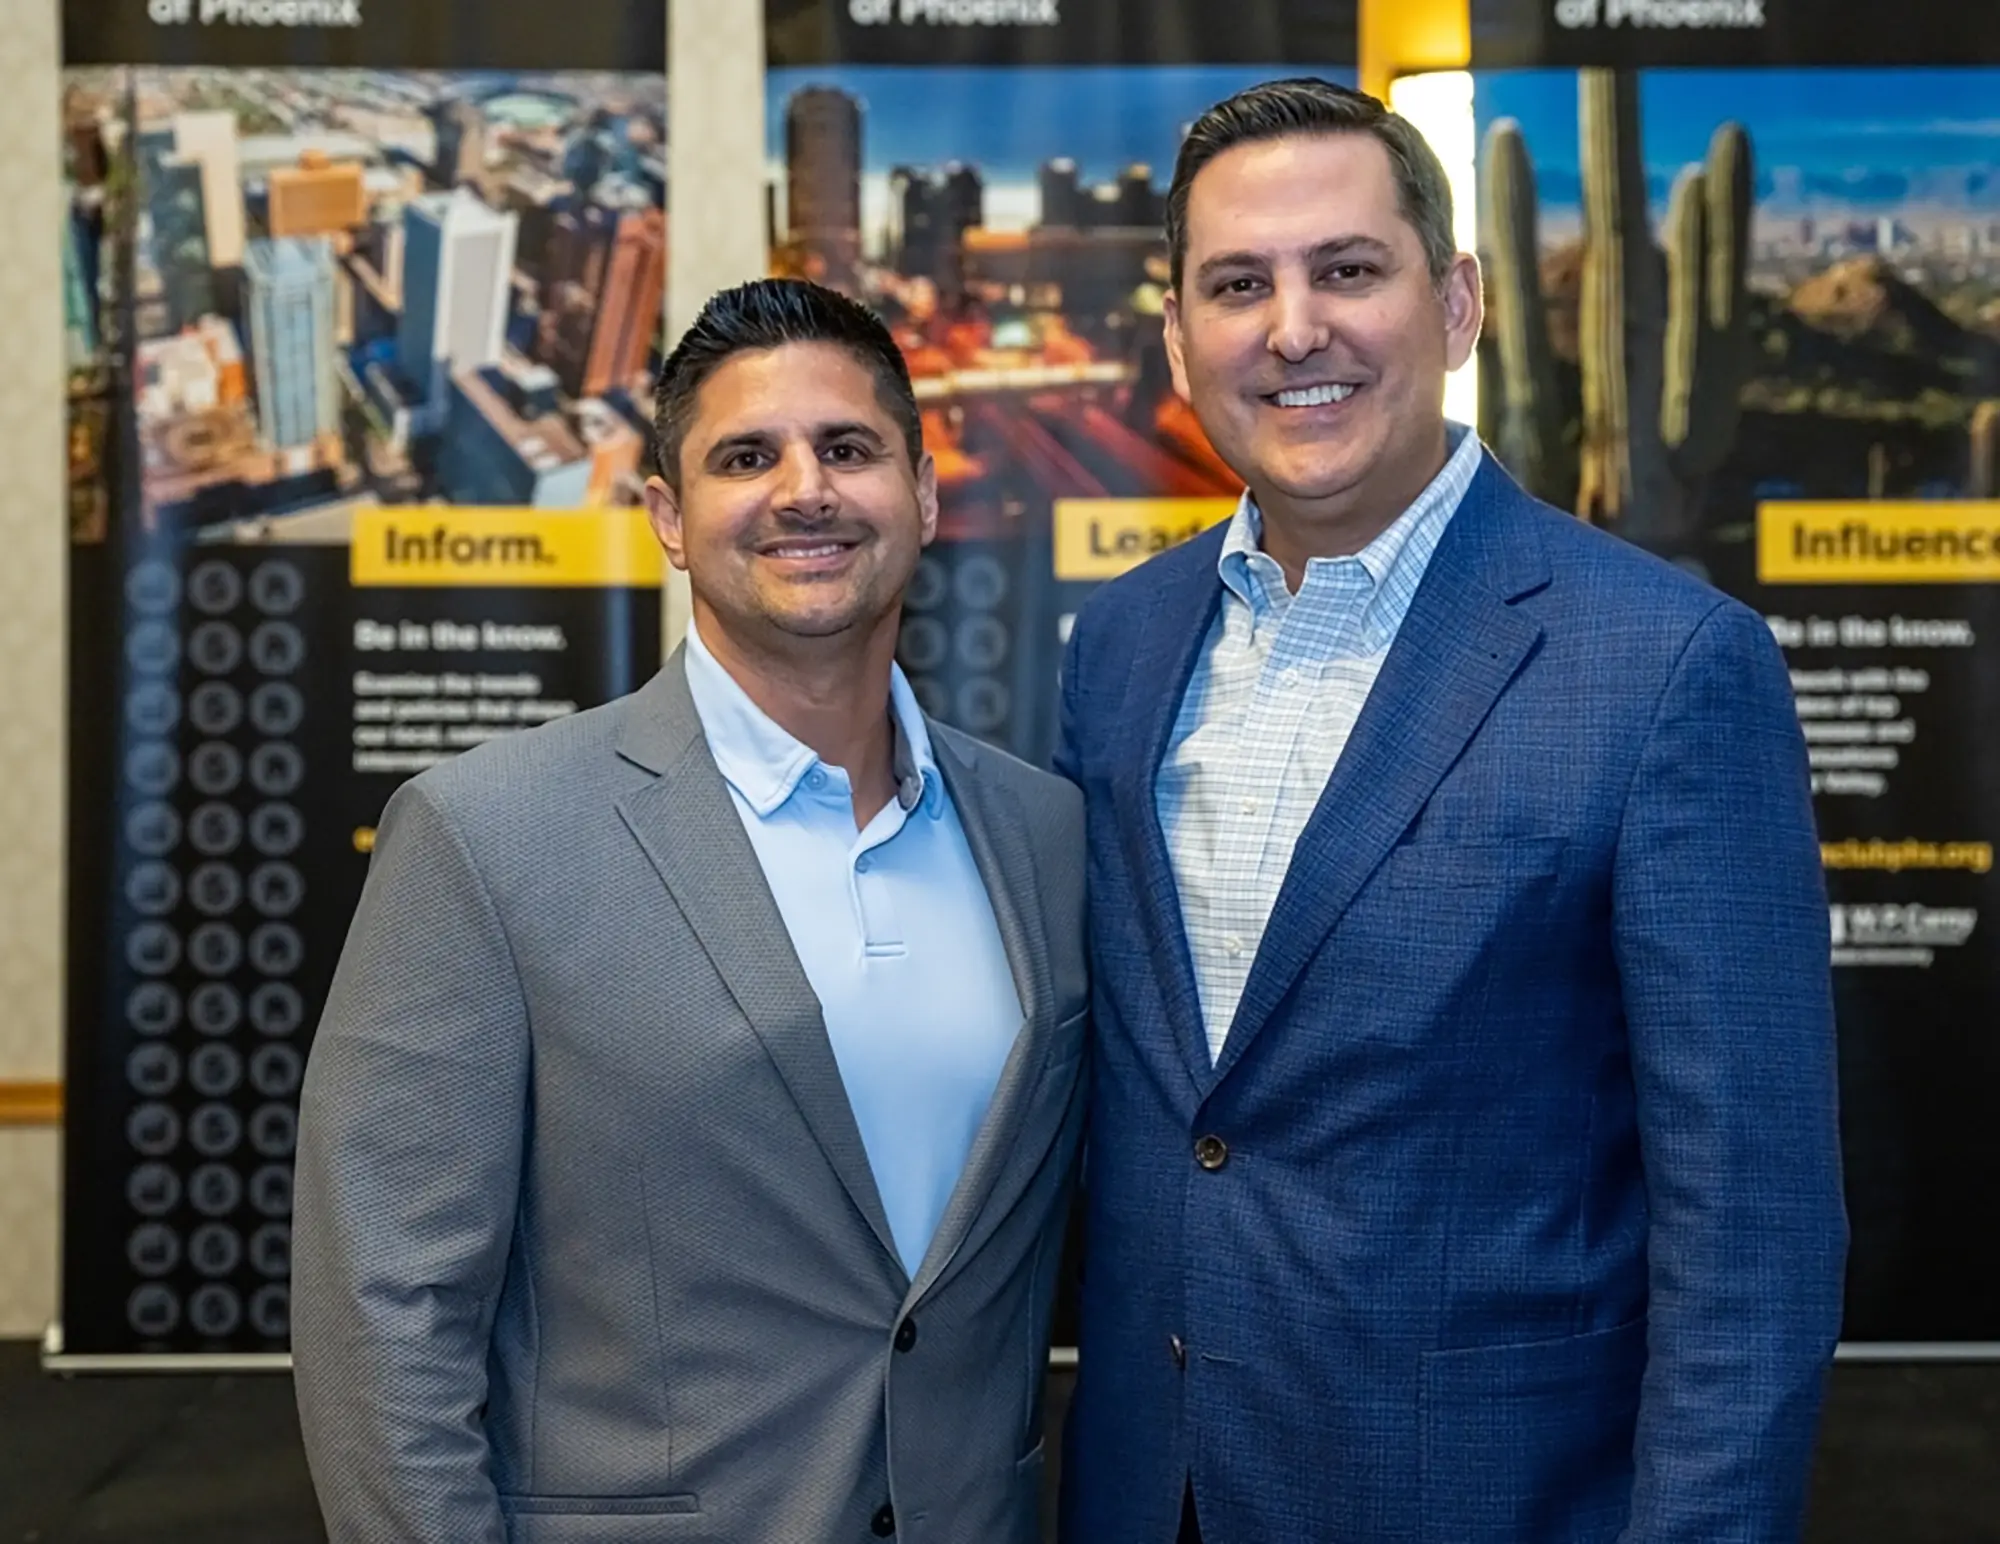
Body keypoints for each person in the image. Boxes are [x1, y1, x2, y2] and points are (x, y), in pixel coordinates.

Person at [1055, 78, 1846, 1543]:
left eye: (1349, 269)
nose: (1296, 329)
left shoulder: (1668, 666)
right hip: (1148, 1494)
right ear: (1177, 341)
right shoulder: (1118, 650)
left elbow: (1755, 1239)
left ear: (1459, 302)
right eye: (1239, 285)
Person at [293, 278, 1086, 1544]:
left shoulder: (1042, 836)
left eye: (846, 448)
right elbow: (383, 1307)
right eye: (743, 456)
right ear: (667, 513)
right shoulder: (487, 835)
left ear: (924, 495)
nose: (803, 489)